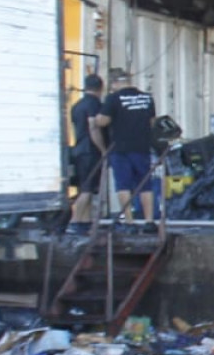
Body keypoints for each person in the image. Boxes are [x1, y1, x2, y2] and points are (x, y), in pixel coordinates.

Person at [91, 69, 158, 228]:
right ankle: (149, 221)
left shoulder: (113, 99)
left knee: (123, 185)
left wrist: (95, 118)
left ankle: (129, 221)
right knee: (145, 184)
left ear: (114, 83)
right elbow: (152, 122)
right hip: (142, 147)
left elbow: (103, 121)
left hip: (120, 149)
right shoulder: (147, 98)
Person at [67, 73, 105, 234]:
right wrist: (103, 149)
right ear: (100, 89)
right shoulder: (95, 104)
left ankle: (85, 221)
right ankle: (75, 221)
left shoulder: (76, 105)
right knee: (87, 189)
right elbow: (93, 127)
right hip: (91, 151)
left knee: (86, 187)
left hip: (79, 150)